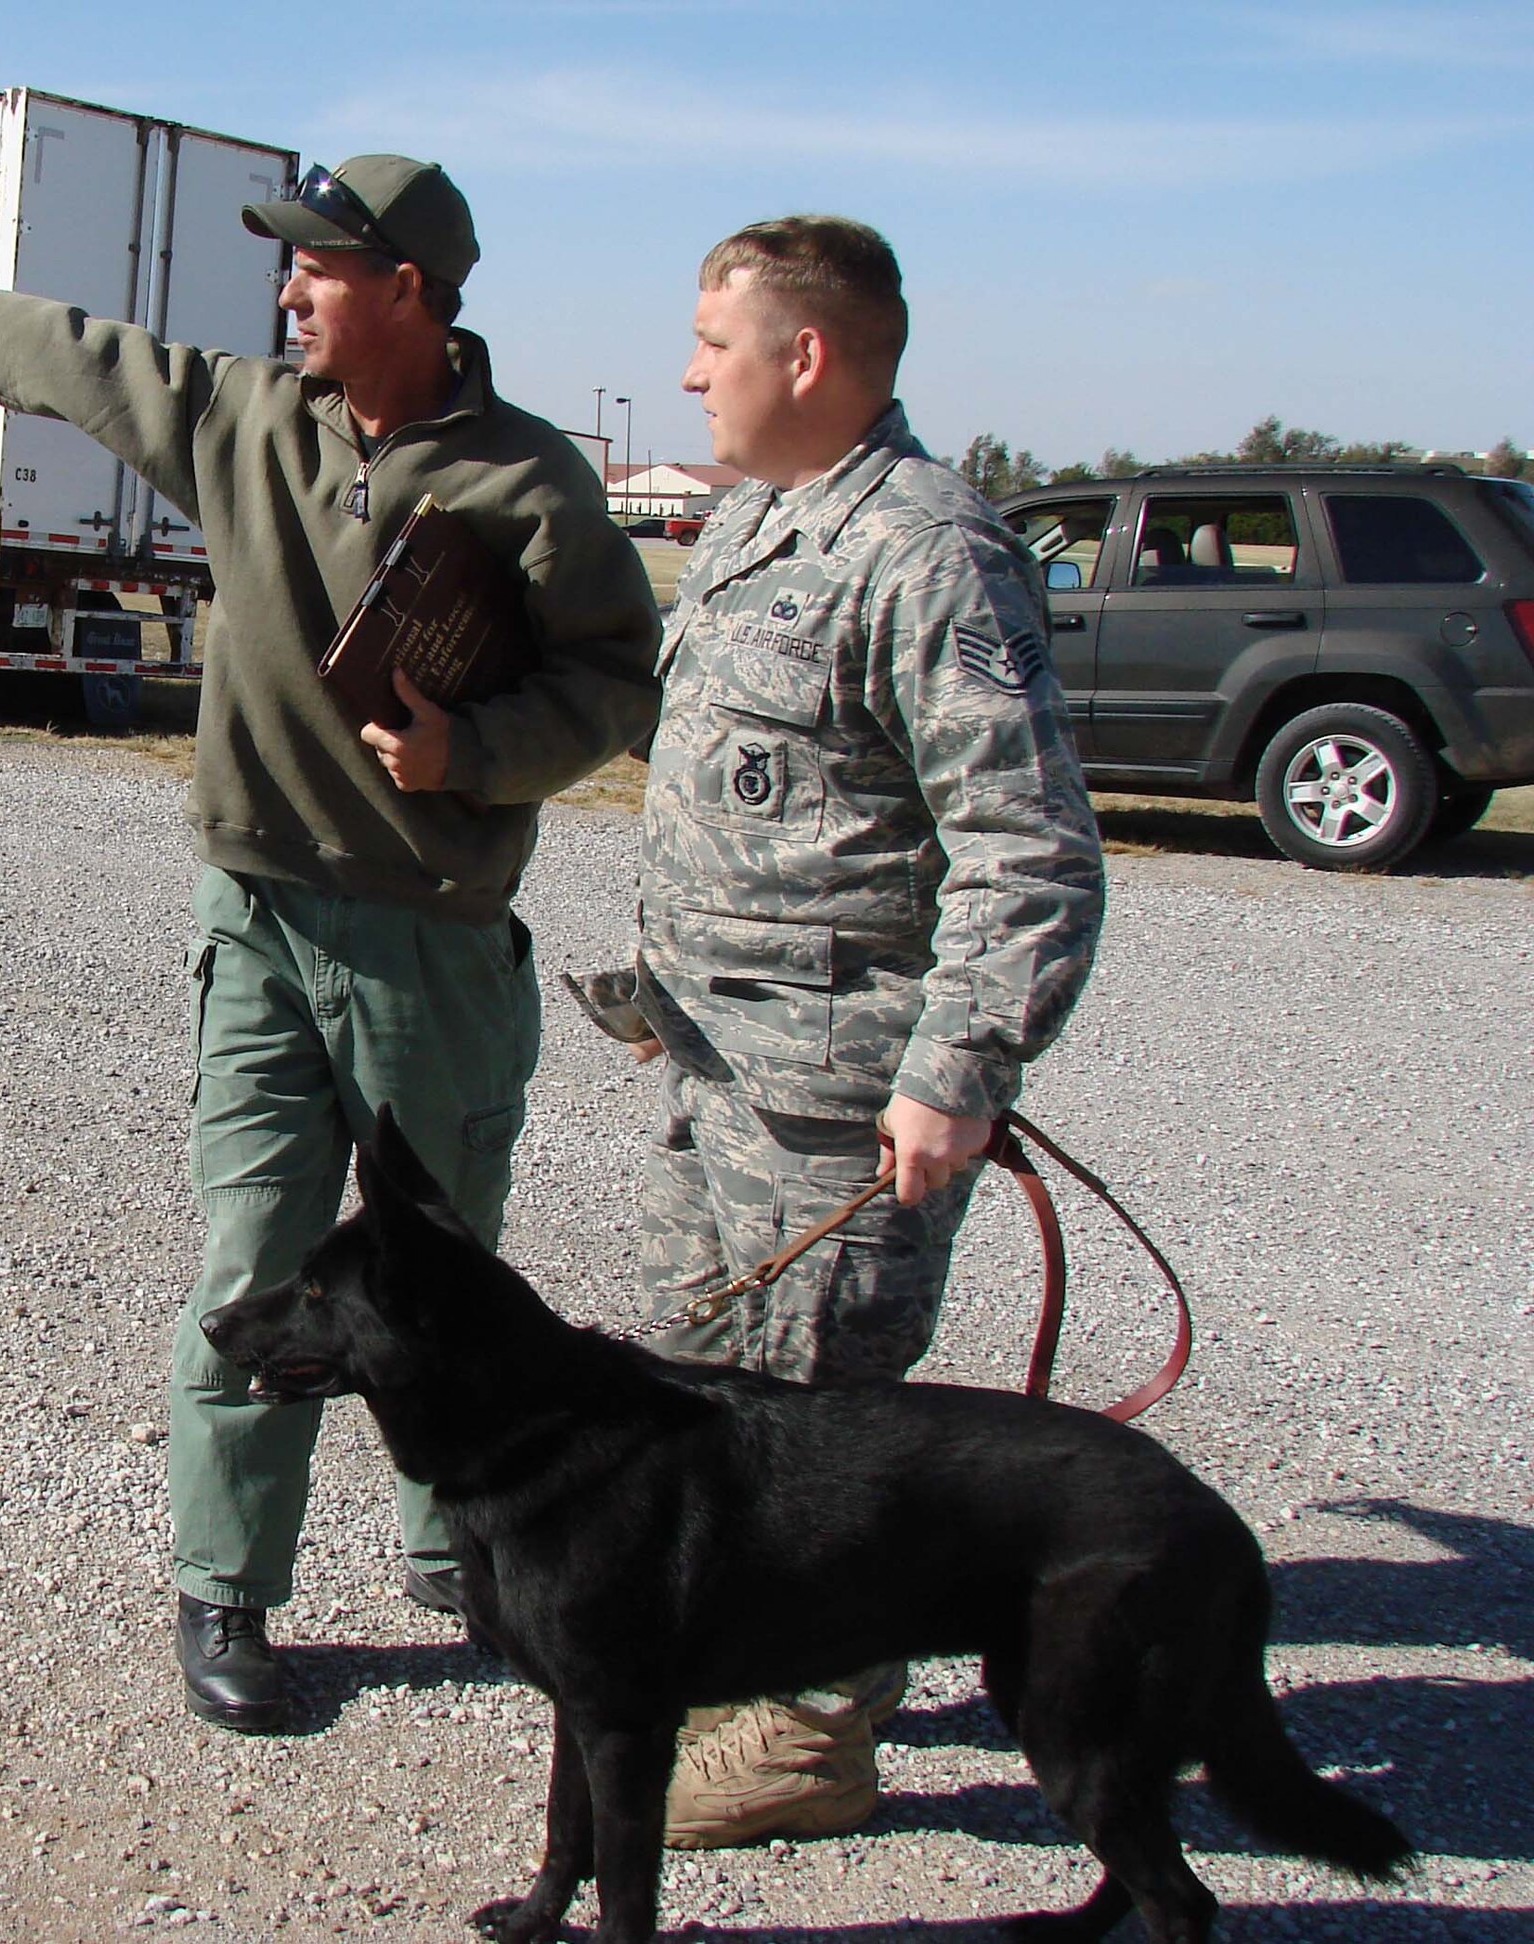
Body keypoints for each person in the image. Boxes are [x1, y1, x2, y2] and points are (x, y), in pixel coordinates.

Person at [0, 156, 660, 1734]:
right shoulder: (246, 420)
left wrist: (481, 753)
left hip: (430, 941)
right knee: (255, 1261)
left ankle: (458, 1545)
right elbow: (61, 349)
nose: (287, 291)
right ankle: (228, 1585)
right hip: (251, 917)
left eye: (316, 268)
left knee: (441, 1276)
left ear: (408, 291)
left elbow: (615, 686)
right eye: (288, 269)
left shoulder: (532, 486)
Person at [626, 216, 1104, 1847]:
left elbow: (1027, 847)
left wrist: (957, 1074)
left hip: (840, 1093)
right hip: (717, 1060)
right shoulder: (763, 523)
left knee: (821, 1419)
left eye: (711, 342)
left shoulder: (929, 551)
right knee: (704, 1383)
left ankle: (814, 1736)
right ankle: (732, 1667)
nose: (689, 372)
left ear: (805, 357)